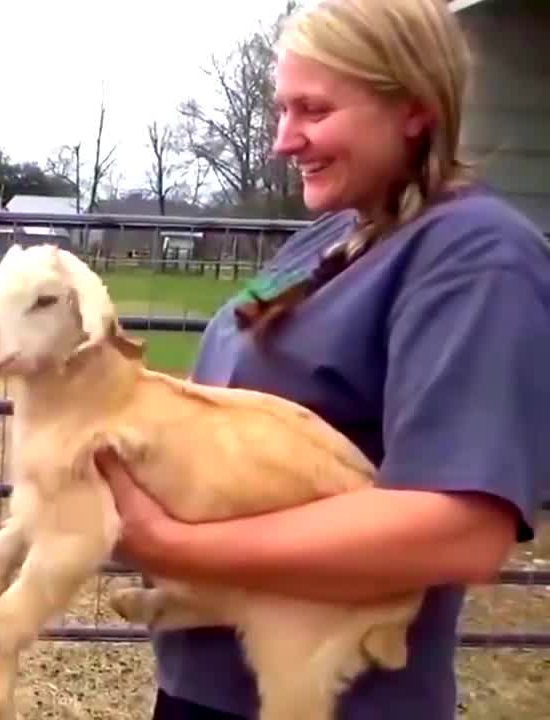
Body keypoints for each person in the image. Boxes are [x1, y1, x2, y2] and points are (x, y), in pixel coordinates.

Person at [94, 1, 549, 718]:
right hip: (212, 688)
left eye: (313, 109)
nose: (284, 140)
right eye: (281, 110)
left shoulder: (477, 258)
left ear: (414, 109)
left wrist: (175, 547)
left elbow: (459, 530)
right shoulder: (330, 238)